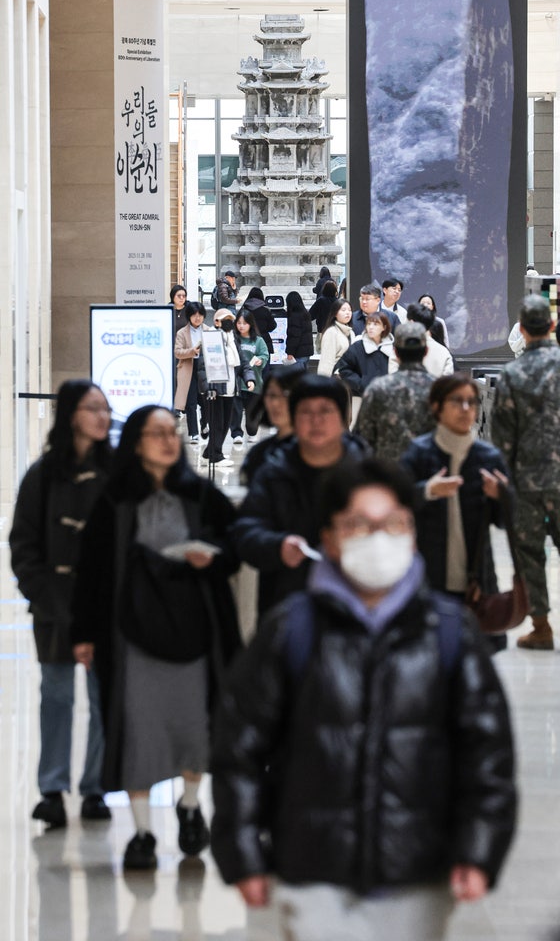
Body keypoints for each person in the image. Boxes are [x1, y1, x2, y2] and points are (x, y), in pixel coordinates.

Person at [211, 458, 516, 941]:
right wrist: (243, 853)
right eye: (358, 524)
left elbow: (487, 755)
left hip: (417, 868)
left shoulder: (449, 631)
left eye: (394, 523)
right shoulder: (292, 629)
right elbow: (238, 750)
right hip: (313, 869)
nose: (378, 538)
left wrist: (478, 851)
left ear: (413, 533)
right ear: (329, 538)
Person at [71, 405, 242, 870]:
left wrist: (215, 559)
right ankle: (144, 832)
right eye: (157, 433)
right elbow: (91, 573)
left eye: (173, 432)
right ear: (137, 443)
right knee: (139, 731)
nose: (169, 441)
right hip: (131, 636)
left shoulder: (202, 496)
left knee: (193, 726)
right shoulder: (114, 500)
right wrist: (83, 634)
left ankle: (190, 806)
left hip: (194, 632)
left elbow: (235, 546)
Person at [10, 380, 113, 828]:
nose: (103, 417)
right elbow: (23, 545)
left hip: (105, 608)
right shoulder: (42, 475)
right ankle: (52, 788)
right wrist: (44, 594)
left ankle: (95, 787)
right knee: (56, 696)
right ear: (72, 414)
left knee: (101, 699)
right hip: (54, 606)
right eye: (94, 408)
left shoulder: (116, 475)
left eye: (106, 409)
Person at [234, 374, 367, 619]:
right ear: (295, 417)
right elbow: (247, 529)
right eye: (306, 412)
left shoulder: (367, 473)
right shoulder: (273, 471)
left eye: (325, 411)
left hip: (354, 604)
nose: (316, 421)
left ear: (343, 417)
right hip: (285, 603)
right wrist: (277, 546)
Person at [400, 373, 510, 651]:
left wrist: (502, 496)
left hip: (477, 578)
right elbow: (396, 506)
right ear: (437, 406)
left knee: (476, 662)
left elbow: (507, 521)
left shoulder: (488, 457)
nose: (465, 410)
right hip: (427, 575)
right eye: (457, 401)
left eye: (471, 402)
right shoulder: (420, 453)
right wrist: (428, 491)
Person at [491, 295, 560, 650]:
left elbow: (501, 437)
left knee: (530, 553)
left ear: (522, 330)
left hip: (528, 478)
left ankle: (542, 626)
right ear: (550, 326)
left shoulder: (513, 374)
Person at [354, 322, 435, 460]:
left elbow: (361, 440)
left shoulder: (378, 388)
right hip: (430, 476)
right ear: (426, 351)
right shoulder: (440, 390)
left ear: (395, 352)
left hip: (386, 475)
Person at [198, 309, 256, 466]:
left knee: (225, 423)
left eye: (231, 318)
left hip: (231, 389)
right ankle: (216, 456)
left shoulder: (233, 339)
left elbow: (243, 362)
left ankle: (209, 452)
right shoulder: (209, 338)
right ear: (217, 322)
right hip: (215, 390)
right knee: (217, 423)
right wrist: (209, 387)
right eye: (225, 319)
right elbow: (203, 367)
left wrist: (249, 378)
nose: (229, 322)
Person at [239, 365, 306, 486]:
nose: (275, 403)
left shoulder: (316, 449)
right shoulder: (259, 454)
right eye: (272, 395)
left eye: (285, 394)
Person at [232, 308, 269, 442]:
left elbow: (265, 355)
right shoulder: (233, 339)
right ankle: (236, 434)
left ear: (251, 324)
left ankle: (252, 432)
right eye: (239, 323)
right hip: (236, 382)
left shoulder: (258, 341)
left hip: (255, 382)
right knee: (235, 411)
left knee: (251, 413)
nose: (241, 326)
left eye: (244, 323)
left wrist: (261, 360)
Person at [174, 301, 209, 442]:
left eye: (200, 314)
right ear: (189, 316)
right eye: (194, 315)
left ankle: (204, 424)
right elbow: (177, 352)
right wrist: (191, 352)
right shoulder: (182, 333)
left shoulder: (208, 330)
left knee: (207, 401)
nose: (197, 318)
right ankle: (194, 433)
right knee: (190, 403)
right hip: (188, 369)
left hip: (204, 370)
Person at [335, 312, 393, 396]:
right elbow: (344, 368)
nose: (371, 327)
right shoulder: (357, 346)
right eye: (369, 324)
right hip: (362, 396)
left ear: (384, 327)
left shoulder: (392, 348)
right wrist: (360, 384)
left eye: (375, 324)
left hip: (388, 395)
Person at [389, 303, 453, 377]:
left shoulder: (399, 349)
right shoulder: (444, 352)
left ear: (411, 322)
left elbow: (392, 378)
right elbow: (447, 384)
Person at [317, 299, 356, 376]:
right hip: (336, 378)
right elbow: (327, 361)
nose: (347, 313)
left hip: (350, 377)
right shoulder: (331, 332)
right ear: (335, 313)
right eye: (343, 310)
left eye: (349, 310)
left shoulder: (351, 332)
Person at [243, 287, 277, 356]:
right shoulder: (265, 310)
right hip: (264, 340)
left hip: (247, 342)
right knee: (264, 364)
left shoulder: (244, 310)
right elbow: (272, 326)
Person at [285, 291, 314, 367]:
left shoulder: (294, 316)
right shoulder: (305, 313)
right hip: (306, 352)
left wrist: (290, 352)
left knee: (296, 377)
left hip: (298, 353)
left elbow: (294, 336)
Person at [309, 279, 338, 344]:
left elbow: (311, 314)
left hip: (322, 329)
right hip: (335, 329)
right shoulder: (338, 302)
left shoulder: (321, 300)